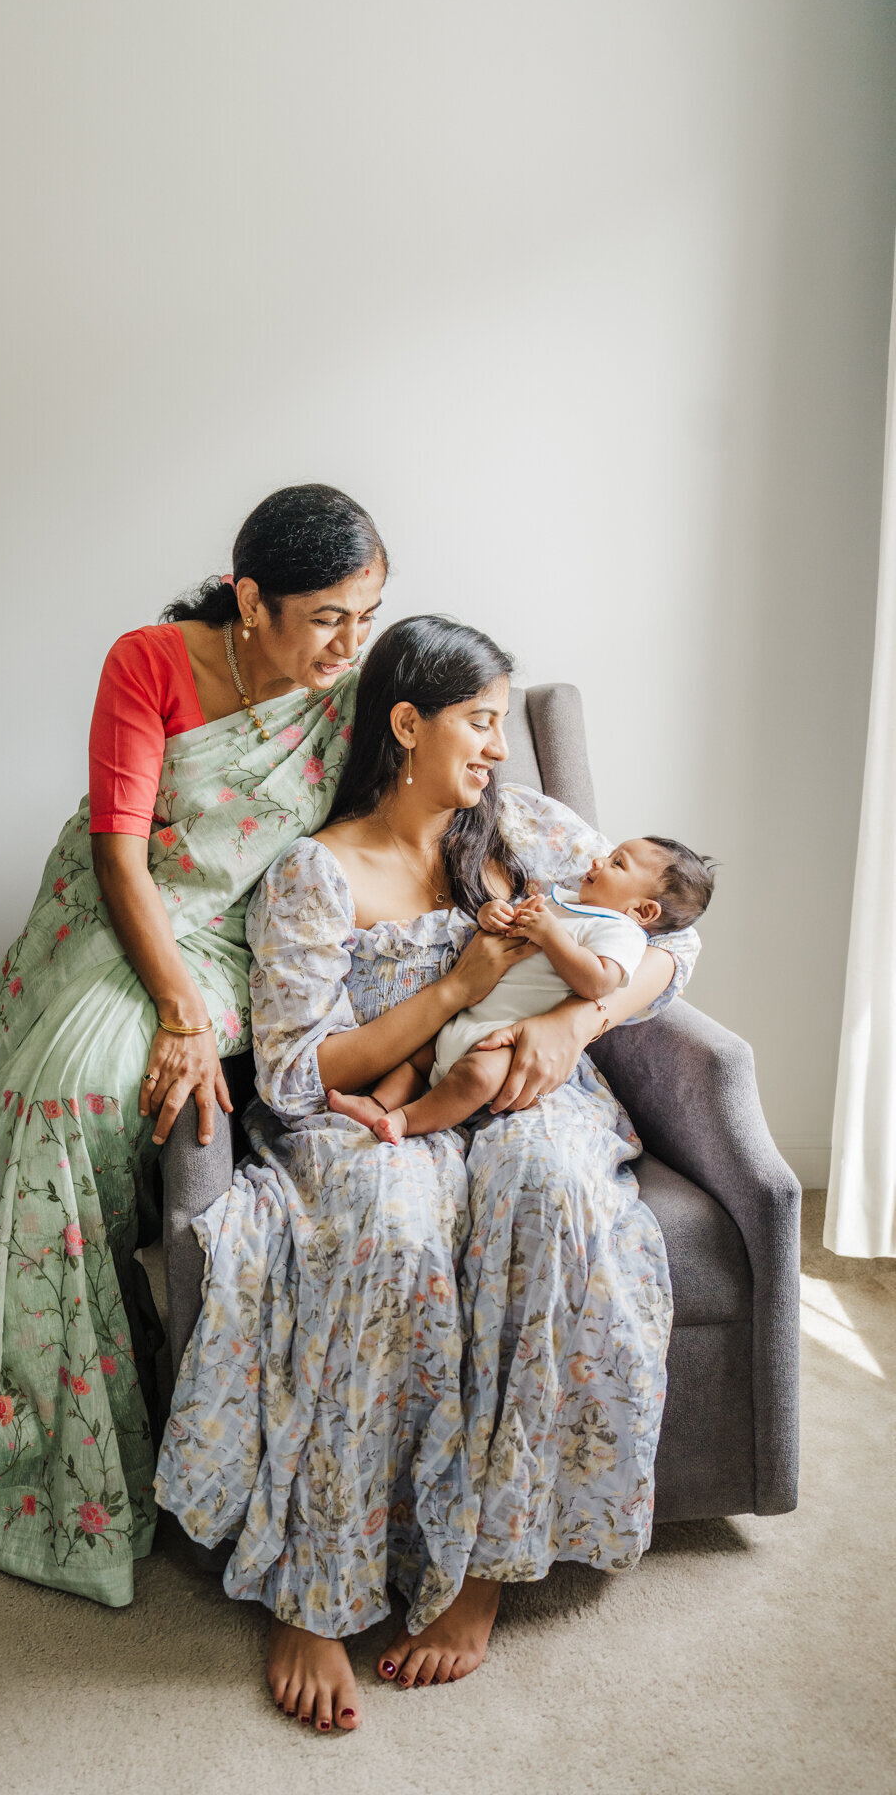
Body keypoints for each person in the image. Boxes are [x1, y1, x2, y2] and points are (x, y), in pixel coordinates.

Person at [155, 616, 700, 1733]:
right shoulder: (316, 872)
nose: (500, 747)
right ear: (407, 725)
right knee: (391, 1232)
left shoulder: (531, 832)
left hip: (523, 1095)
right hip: (371, 1111)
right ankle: (316, 1589)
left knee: (546, 1198)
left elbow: (670, 943)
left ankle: (482, 1574)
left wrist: (574, 1026)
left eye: (504, 723)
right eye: (481, 722)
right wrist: (455, 991)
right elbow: (301, 1074)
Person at [0, 484, 386, 1606]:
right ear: (251, 598)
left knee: (74, 1101)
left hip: (241, 936)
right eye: (328, 615)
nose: (349, 643)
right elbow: (123, 858)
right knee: (48, 1107)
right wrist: (176, 1015)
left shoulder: (361, 693)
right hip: (118, 918)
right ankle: (48, 1446)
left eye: (367, 614)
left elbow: (459, 776)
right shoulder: (151, 661)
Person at [329, 836, 715, 1143]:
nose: (598, 861)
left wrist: (551, 936)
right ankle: (376, 1102)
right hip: (472, 1016)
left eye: (617, 863)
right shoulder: (563, 903)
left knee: (476, 1077)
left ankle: (404, 1120)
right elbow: (512, 924)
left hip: (510, 1041)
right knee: (416, 1056)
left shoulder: (622, 934)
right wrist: (492, 915)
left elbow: (598, 982)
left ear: (643, 911)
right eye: (609, 854)